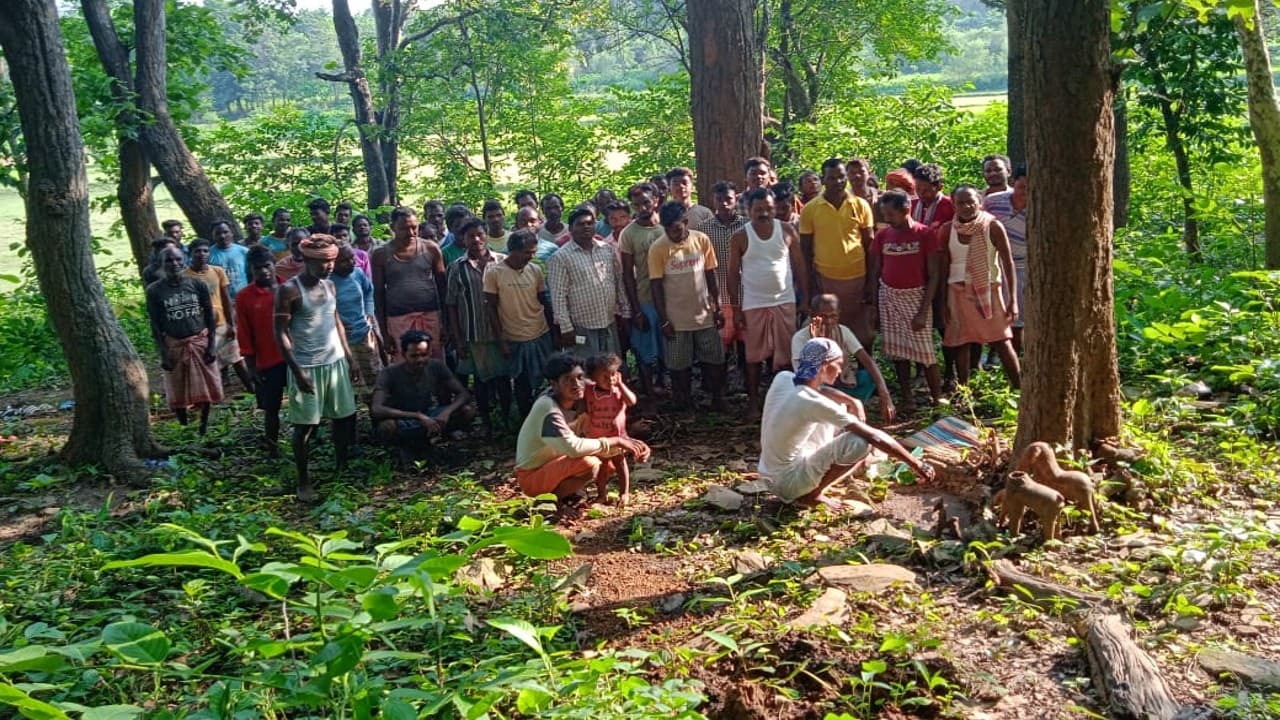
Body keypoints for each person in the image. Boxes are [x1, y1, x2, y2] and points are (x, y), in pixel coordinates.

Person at [758, 338, 933, 509]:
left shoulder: (784, 378)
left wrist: (853, 401)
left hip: (768, 475)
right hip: (789, 484)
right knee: (860, 442)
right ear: (825, 366)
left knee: (837, 404)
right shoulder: (811, 402)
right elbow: (873, 436)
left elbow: (820, 390)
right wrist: (917, 464)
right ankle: (812, 494)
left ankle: (823, 475)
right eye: (839, 364)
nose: (841, 370)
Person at [274, 234, 359, 502]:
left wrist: (349, 356)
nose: (330, 267)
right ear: (307, 260)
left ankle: (342, 467)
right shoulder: (289, 290)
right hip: (307, 365)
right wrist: (297, 370)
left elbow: (336, 321)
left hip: (334, 362)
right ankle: (303, 481)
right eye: (324, 262)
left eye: (332, 261)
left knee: (343, 417)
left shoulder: (330, 286)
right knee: (306, 426)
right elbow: (280, 333)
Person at [514, 353, 651, 502]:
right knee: (590, 463)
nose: (576, 384)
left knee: (609, 463)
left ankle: (567, 495)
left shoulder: (583, 393)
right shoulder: (548, 408)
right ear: (553, 384)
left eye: (579, 378)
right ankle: (550, 502)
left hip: (554, 462)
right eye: (568, 380)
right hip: (533, 475)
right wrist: (616, 441)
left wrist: (633, 443)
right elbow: (573, 447)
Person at [727, 187, 809, 417]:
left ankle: (786, 401)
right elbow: (733, 275)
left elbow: (800, 266)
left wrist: (804, 298)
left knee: (786, 354)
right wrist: (736, 308)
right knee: (753, 357)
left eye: (768, 208)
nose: (763, 213)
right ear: (749, 210)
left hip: (784, 301)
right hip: (753, 304)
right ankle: (753, 402)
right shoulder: (741, 236)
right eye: (758, 209)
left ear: (775, 208)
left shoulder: (786, 230)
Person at [867, 190, 943, 412]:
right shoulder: (883, 236)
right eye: (884, 214)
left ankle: (937, 399)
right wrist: (874, 305)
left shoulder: (925, 234)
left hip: (917, 298)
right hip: (889, 297)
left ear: (906, 210)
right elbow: (875, 270)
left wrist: (923, 310)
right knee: (897, 353)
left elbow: (934, 275)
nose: (887, 218)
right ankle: (907, 398)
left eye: (891, 214)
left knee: (926, 353)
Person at [939, 185, 1021, 388]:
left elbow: (1007, 263)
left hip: (988, 290)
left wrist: (1012, 300)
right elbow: (943, 269)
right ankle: (965, 392)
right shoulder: (947, 230)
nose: (966, 206)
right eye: (961, 203)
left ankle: (1019, 389)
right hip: (957, 293)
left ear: (979, 202)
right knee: (961, 343)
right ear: (953, 204)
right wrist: (942, 303)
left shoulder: (992, 226)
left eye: (971, 202)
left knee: (1001, 341)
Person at [651, 201, 727, 412]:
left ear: (685, 222)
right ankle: (683, 403)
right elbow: (656, 286)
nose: (672, 234)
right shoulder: (658, 248)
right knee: (678, 366)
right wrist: (664, 319)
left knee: (714, 360)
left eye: (676, 228)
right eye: (667, 230)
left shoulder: (701, 240)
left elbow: (711, 274)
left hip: (704, 315)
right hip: (676, 320)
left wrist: (717, 306)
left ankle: (717, 399)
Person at [799, 157, 876, 348]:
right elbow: (806, 252)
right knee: (829, 332)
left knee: (862, 334)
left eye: (841, 177)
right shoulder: (810, 210)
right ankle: (834, 373)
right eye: (832, 178)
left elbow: (870, 246)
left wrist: (870, 283)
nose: (838, 181)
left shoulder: (860, 205)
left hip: (858, 279)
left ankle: (863, 374)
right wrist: (811, 288)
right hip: (826, 280)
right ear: (823, 180)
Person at [146, 245, 222, 434]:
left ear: (185, 260)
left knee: (206, 387)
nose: (174, 264)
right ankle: (183, 426)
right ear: (162, 264)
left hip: (199, 341)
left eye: (178, 259)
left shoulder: (197, 284)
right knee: (176, 387)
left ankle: (203, 426)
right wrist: (163, 353)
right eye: (169, 260)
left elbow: (209, 316)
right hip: (174, 344)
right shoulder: (155, 290)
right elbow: (155, 324)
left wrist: (212, 345)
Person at [372, 330, 476, 465]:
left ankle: (441, 439)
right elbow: (376, 409)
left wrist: (446, 412)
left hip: (430, 416)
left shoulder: (436, 366)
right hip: (405, 419)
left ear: (430, 352)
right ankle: (402, 448)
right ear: (404, 355)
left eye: (423, 355)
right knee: (387, 427)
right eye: (414, 356)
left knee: (468, 411)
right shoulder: (388, 374)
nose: (420, 360)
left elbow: (463, 393)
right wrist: (417, 416)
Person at [447, 216, 510, 433]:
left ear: (486, 236)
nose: (476, 240)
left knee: (503, 378)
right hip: (474, 332)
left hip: (502, 331)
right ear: (463, 239)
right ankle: (486, 422)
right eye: (470, 236)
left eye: (480, 235)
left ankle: (506, 418)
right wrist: (458, 338)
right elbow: (452, 304)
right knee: (482, 380)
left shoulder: (502, 261)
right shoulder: (457, 267)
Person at [485, 229, 555, 417]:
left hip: (540, 332)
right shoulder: (494, 273)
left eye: (533, 252)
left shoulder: (535, 270)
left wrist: (555, 332)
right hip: (514, 337)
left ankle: (546, 417)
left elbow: (544, 301)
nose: (531, 257)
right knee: (521, 382)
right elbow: (491, 308)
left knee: (545, 378)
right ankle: (524, 420)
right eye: (526, 253)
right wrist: (501, 340)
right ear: (512, 250)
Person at [791, 294, 894, 420]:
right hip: (817, 391)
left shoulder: (842, 331)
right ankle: (839, 411)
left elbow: (867, 361)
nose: (828, 321)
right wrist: (817, 341)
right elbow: (806, 380)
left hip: (842, 384)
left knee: (867, 377)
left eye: (833, 316)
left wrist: (885, 395)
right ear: (812, 314)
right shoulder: (800, 338)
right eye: (823, 316)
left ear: (839, 315)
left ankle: (848, 409)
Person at [547, 204, 631, 356]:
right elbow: (558, 296)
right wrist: (566, 329)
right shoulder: (560, 257)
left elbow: (618, 283)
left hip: (608, 321)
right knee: (586, 368)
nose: (586, 227)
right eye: (580, 224)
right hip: (581, 326)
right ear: (571, 229)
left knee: (610, 367)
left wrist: (625, 313)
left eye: (589, 223)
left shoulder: (607, 249)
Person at [371, 206, 447, 362]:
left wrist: (446, 324)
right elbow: (378, 294)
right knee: (404, 364)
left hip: (430, 316)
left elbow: (443, 288)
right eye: (405, 228)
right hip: (398, 320)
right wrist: (384, 333)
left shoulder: (431, 249)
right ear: (393, 228)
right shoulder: (380, 255)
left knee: (433, 364)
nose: (411, 233)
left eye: (414, 227)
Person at [235, 245, 287, 454]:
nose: (264, 271)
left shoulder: (288, 288)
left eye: (267, 266)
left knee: (304, 401)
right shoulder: (244, 297)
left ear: (274, 265)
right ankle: (272, 446)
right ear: (251, 270)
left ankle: (309, 441)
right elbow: (244, 332)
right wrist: (251, 366)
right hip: (266, 361)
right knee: (271, 408)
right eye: (258, 268)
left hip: (294, 357)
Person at [185, 237, 254, 391]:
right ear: (190, 254)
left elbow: (226, 299)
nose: (201, 254)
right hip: (201, 326)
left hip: (221, 321)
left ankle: (252, 389)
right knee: (211, 361)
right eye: (197, 251)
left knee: (237, 358)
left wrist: (232, 323)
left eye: (205, 251)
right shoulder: (185, 276)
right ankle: (216, 393)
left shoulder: (217, 271)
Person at [620, 182, 668, 397]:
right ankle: (649, 394)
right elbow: (628, 273)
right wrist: (636, 309)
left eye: (646, 202)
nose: (642, 208)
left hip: (670, 298)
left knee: (669, 347)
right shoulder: (628, 234)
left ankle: (668, 386)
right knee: (645, 348)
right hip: (645, 298)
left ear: (656, 200)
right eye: (637, 204)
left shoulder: (666, 227)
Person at [694, 181, 747, 354]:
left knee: (746, 341)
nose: (724, 203)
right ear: (713, 201)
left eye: (728, 199)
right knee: (721, 343)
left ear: (736, 199)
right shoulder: (703, 230)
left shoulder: (747, 226)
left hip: (746, 295)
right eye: (719, 199)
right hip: (718, 297)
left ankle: (745, 376)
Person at [983, 167, 1028, 354]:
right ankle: (996, 355)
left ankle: (1020, 357)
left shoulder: (1044, 207)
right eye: (1021, 187)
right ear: (1012, 184)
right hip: (996, 267)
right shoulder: (993, 202)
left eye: (1030, 188)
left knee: (1021, 317)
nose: (1025, 193)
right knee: (997, 314)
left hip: (1026, 267)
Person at [583, 353, 637, 506]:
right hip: (597, 439)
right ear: (593, 378)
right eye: (604, 377)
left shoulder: (619, 391)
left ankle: (624, 492)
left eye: (613, 375)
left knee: (620, 464)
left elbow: (632, 401)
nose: (610, 380)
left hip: (617, 437)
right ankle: (601, 494)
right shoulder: (589, 390)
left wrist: (620, 384)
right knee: (602, 467)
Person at [331, 245, 382, 407]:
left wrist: (369, 312)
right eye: (344, 261)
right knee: (348, 385)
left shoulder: (358, 274)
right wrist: (336, 324)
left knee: (374, 381)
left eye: (352, 258)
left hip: (364, 335)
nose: (351, 263)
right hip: (341, 341)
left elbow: (369, 293)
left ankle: (377, 420)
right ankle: (348, 425)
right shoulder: (327, 282)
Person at [208, 220, 249, 295]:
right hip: (220, 299)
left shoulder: (244, 252)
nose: (222, 236)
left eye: (225, 232)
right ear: (212, 236)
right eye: (218, 233)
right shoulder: (208, 254)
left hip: (243, 297)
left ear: (231, 233)